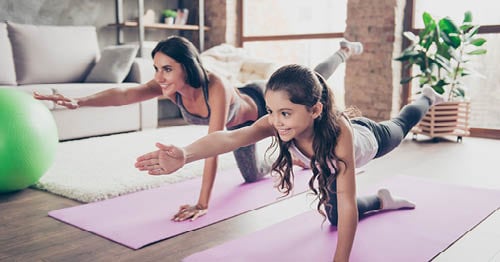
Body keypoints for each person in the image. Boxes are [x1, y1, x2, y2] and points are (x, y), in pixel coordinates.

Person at [134, 63, 446, 261]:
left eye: (285, 113)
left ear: (315, 109)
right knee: (334, 218)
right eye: (271, 110)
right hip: (328, 164)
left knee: (402, 124)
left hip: (370, 139)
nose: (275, 121)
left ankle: (427, 97)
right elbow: (229, 138)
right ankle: (382, 201)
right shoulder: (276, 122)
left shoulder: (339, 135)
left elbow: (348, 202)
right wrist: (186, 154)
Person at [34, 35, 363, 222]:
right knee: (253, 176)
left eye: (167, 68)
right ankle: (292, 154)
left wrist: (203, 202)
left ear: (186, 66)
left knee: (315, 77)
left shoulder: (214, 86)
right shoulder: (170, 86)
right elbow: (125, 93)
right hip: (242, 130)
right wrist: (81, 101)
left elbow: (215, 144)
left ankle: (343, 50)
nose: (160, 76)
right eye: (156, 69)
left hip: (254, 110)